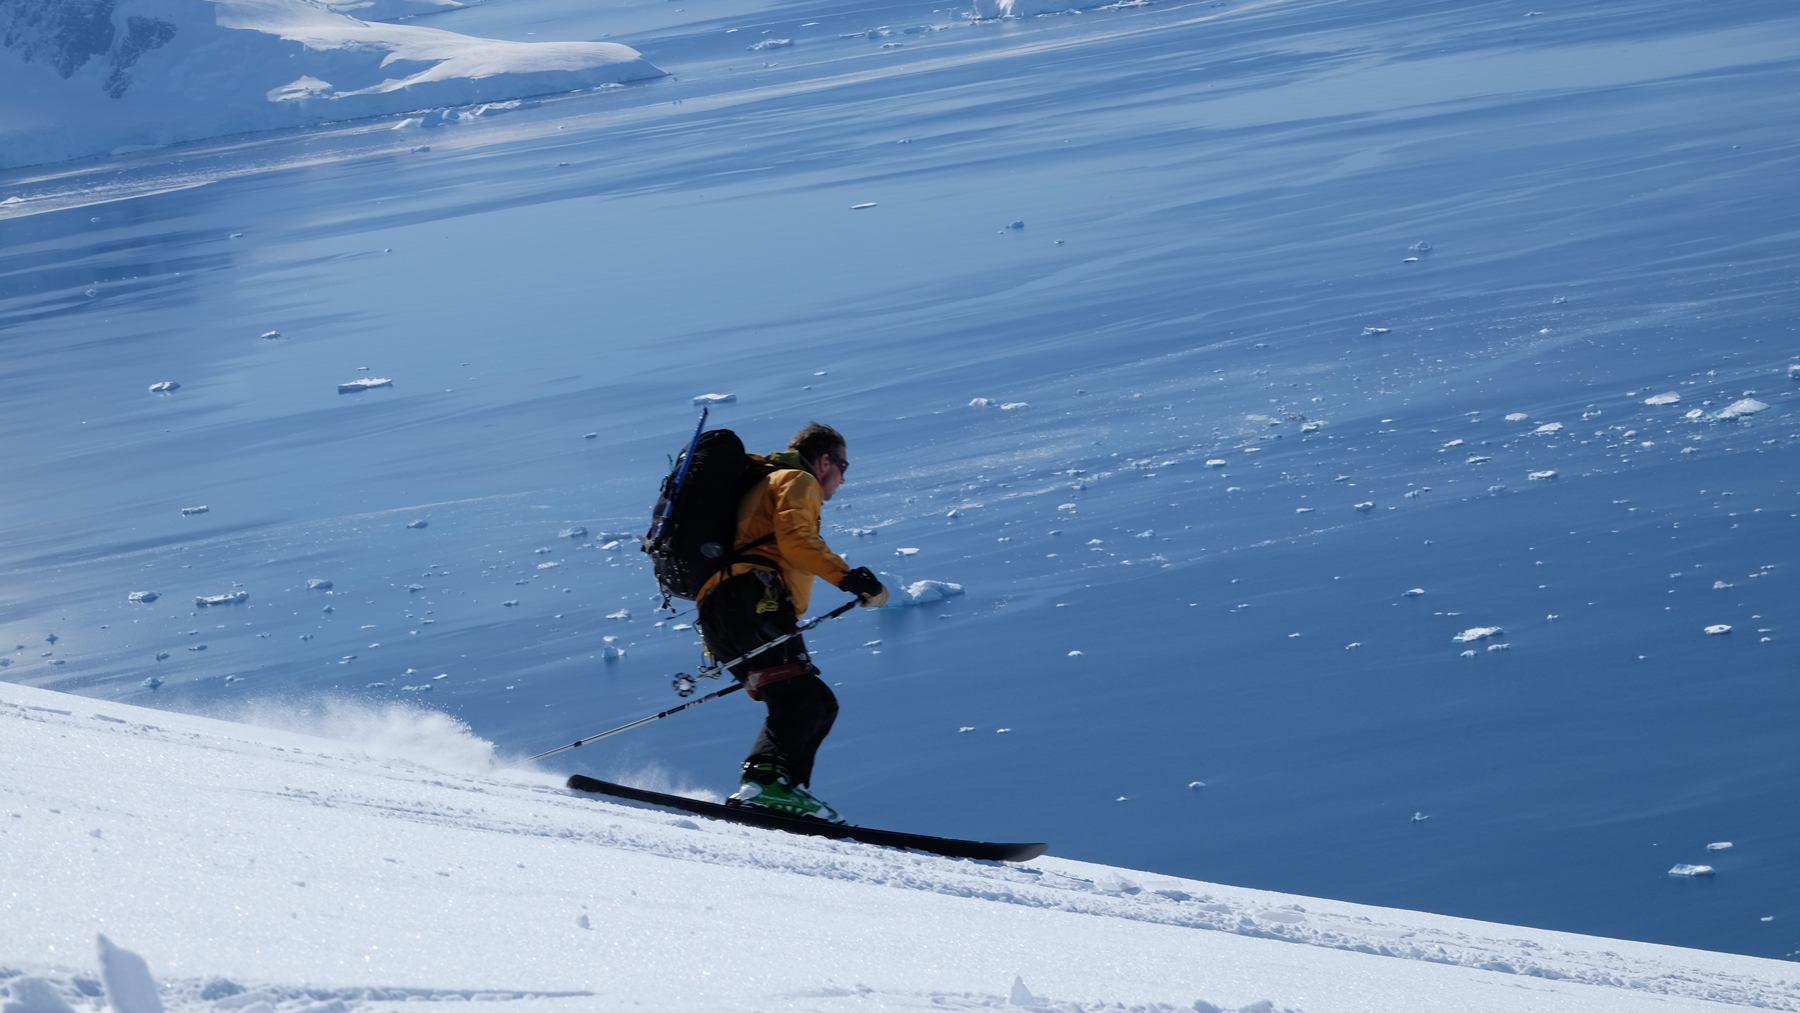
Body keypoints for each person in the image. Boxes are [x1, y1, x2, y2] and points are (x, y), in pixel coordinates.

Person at [694, 422, 887, 820]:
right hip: (752, 600)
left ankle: (781, 790)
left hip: (723, 612)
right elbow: (796, 540)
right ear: (824, 460)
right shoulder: (798, 479)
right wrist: (852, 578)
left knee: (810, 700)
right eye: (843, 466)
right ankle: (766, 788)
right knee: (804, 698)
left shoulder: (759, 484)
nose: (844, 479)